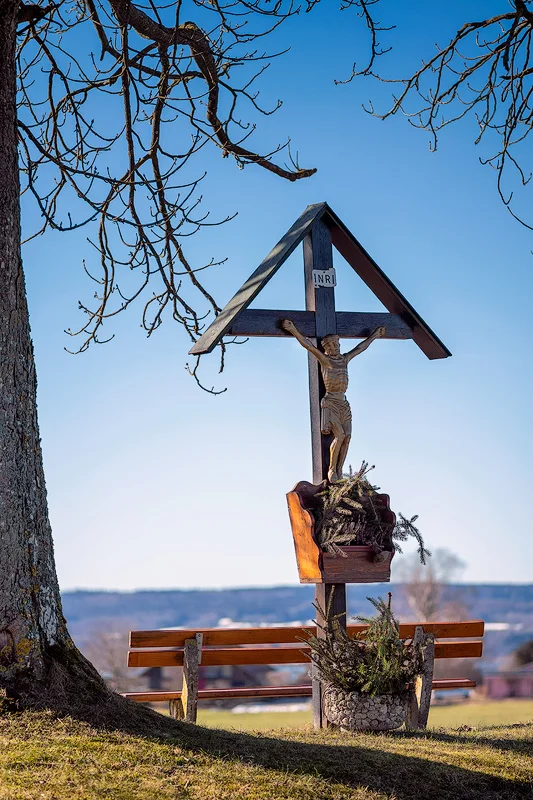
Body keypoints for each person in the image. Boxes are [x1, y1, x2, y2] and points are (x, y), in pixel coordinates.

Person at [281, 320, 385, 482]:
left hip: (343, 402)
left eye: (337, 345)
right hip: (330, 402)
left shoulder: (344, 359)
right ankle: (331, 469)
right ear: (326, 348)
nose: (335, 348)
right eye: (331, 345)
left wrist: (375, 336)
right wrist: (293, 329)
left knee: (348, 437)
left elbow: (360, 348)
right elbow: (308, 346)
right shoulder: (325, 360)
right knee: (340, 435)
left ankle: (339, 468)